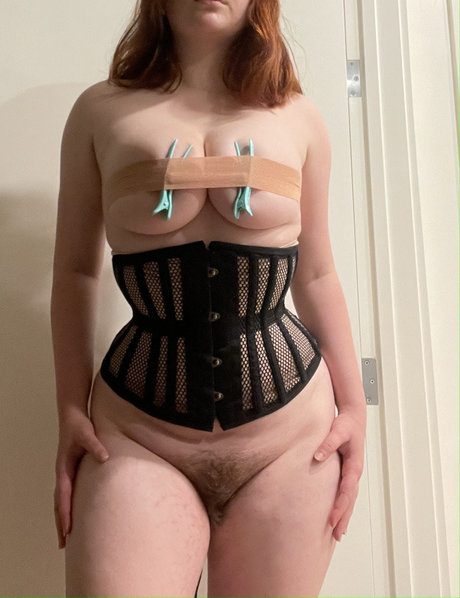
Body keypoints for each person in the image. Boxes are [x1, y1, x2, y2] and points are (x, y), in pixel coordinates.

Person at [50, 0, 367, 596]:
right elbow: (74, 273)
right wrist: (69, 407)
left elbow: (318, 274)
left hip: (291, 444)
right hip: (138, 439)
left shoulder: (299, 118)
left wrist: (354, 409)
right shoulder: (99, 110)